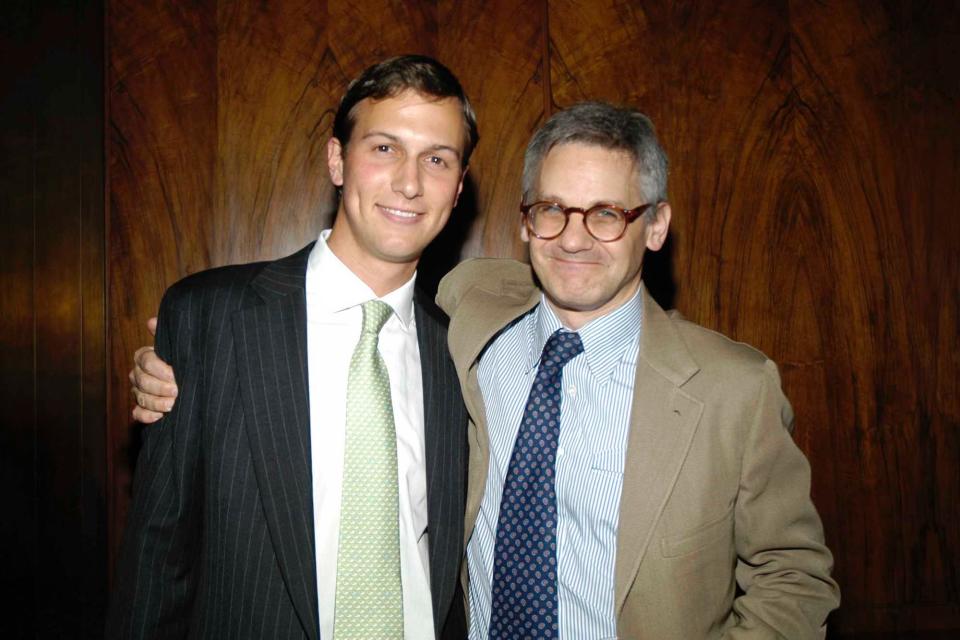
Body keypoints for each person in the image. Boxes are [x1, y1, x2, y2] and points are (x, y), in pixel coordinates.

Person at [131, 101, 841, 638]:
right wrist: (185, 358)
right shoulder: (467, 315)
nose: (574, 239)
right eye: (553, 211)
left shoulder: (734, 387)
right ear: (525, 223)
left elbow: (794, 576)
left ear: (655, 225)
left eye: (607, 215)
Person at [108, 55, 475, 640]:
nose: (410, 182)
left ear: (457, 188)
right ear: (337, 159)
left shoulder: (465, 349)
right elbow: (158, 553)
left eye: (436, 159)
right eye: (384, 148)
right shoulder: (212, 316)